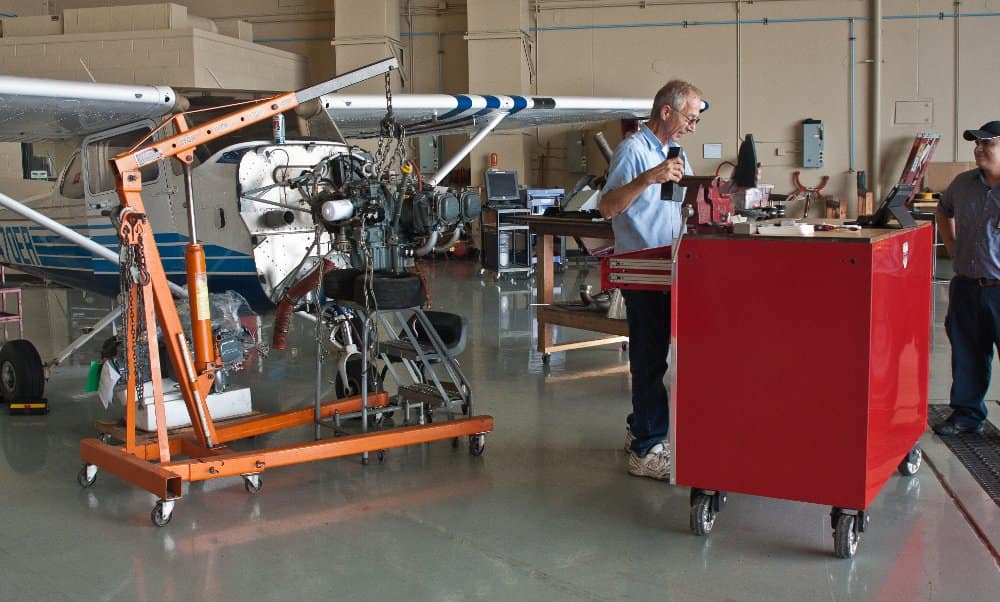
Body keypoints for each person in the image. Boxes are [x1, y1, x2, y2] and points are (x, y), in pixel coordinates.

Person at [598, 80, 705, 478]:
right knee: (649, 359)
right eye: (689, 118)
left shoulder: (673, 153)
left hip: (669, 263)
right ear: (666, 112)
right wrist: (649, 177)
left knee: (657, 353)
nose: (693, 127)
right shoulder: (633, 151)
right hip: (643, 268)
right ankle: (646, 449)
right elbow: (607, 207)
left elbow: (686, 203)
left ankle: (640, 428)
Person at [933, 120, 1000, 436]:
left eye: (989, 143)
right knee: (967, 354)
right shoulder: (963, 184)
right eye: (978, 143)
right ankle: (967, 415)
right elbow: (942, 210)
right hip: (968, 286)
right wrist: (951, 245)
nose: (979, 149)